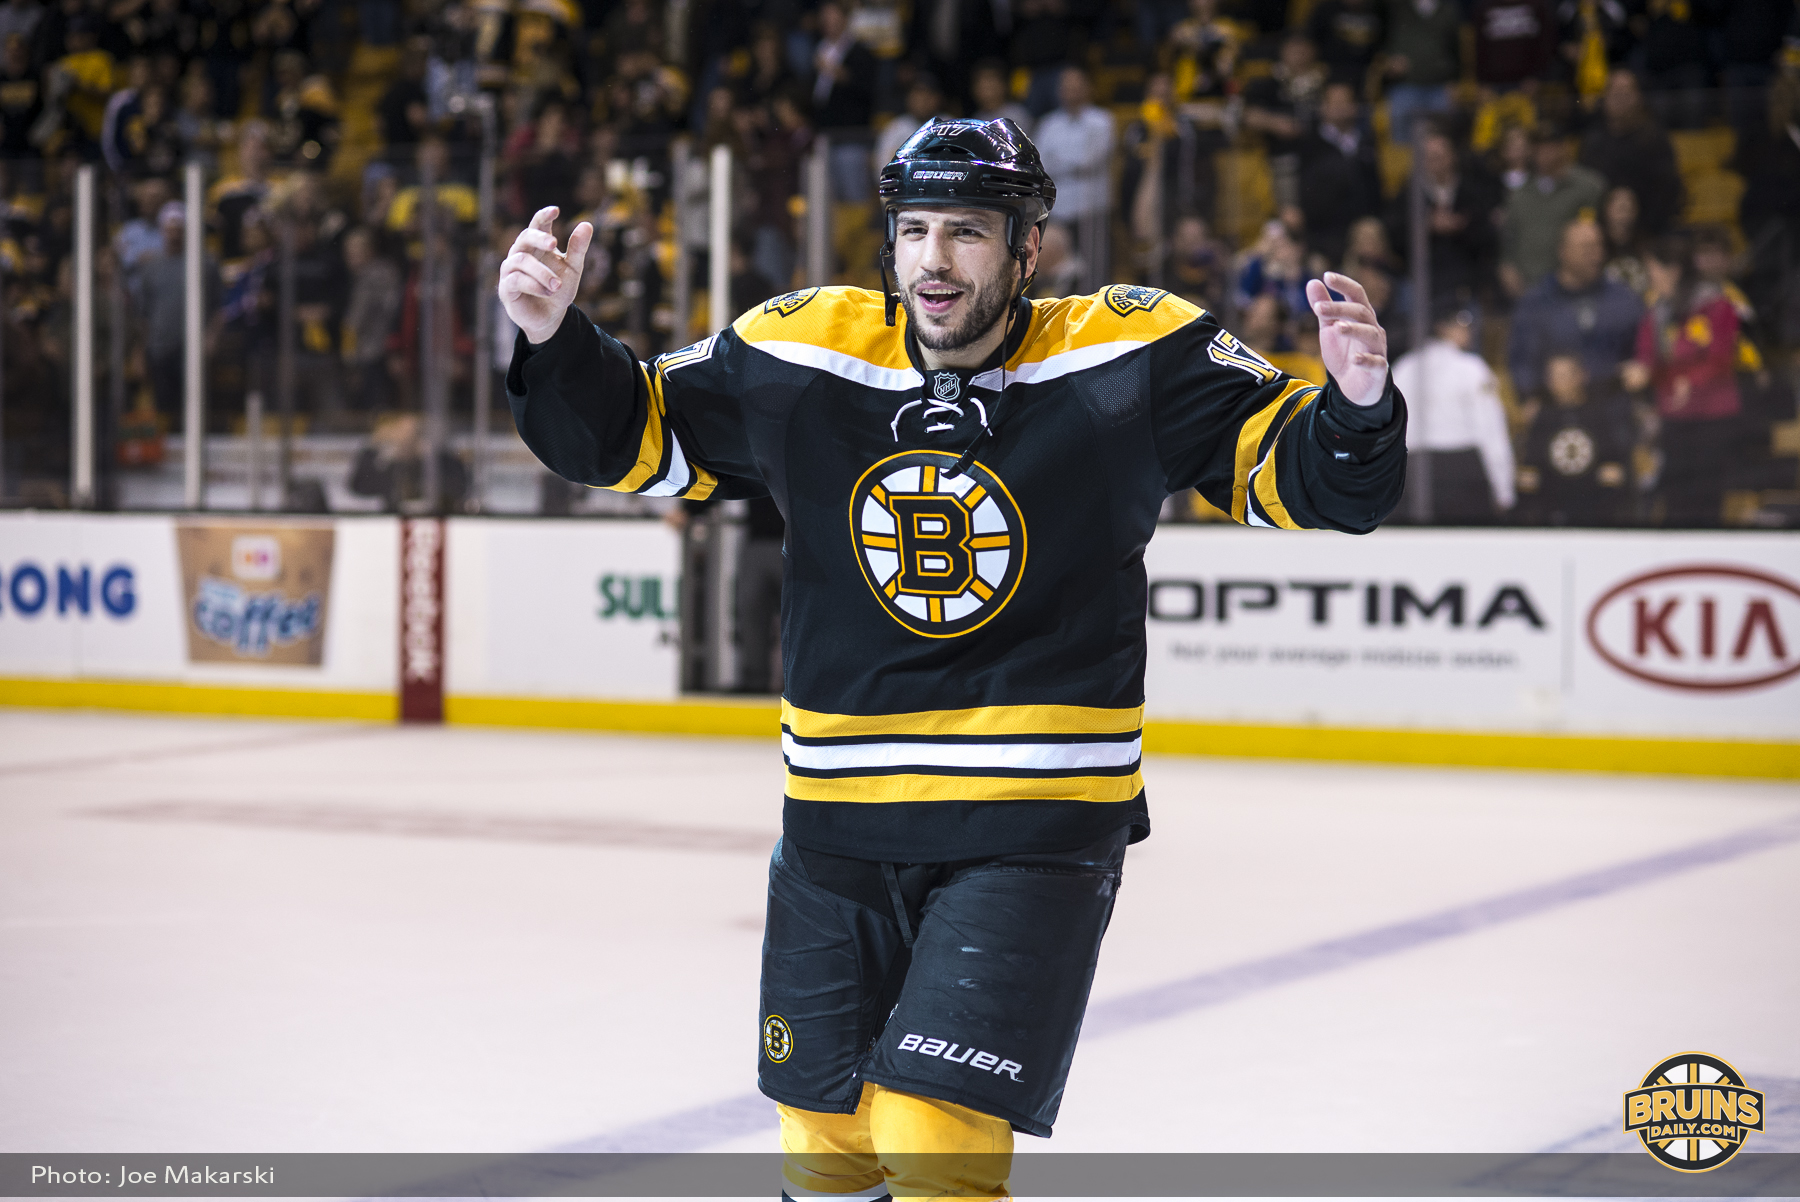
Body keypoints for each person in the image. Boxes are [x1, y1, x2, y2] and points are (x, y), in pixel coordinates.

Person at [499, 117, 1406, 1196]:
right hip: (835, 820)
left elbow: (1297, 474)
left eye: (967, 233)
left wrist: (1354, 410)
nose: (933, 259)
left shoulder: (1127, 354)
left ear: (1028, 250)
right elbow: (637, 431)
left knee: (930, 1129)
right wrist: (557, 339)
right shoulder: (806, 350)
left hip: (1033, 823)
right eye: (914, 229)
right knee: (824, 1136)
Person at [1625, 235, 1742, 528]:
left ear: (1672, 270)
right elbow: (1648, 357)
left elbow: (1721, 358)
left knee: (1706, 500)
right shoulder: (1657, 312)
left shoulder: (1717, 306)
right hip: (1674, 420)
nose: (1650, 277)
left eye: (1653, 269)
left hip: (1712, 420)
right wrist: (1642, 372)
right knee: (1676, 499)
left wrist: (1690, 381)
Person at [1390, 303, 1513, 522]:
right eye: (1461, 323)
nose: (1469, 330)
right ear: (1440, 327)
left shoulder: (1403, 368)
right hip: (1461, 469)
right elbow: (1490, 431)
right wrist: (1503, 489)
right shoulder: (1471, 368)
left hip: (1412, 470)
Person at [1514, 353, 1635, 526]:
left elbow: (1613, 472)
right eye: (1552, 376)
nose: (1556, 382)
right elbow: (1530, 472)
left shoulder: (1596, 416)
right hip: (1551, 513)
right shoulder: (1543, 417)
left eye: (1563, 376)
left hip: (1592, 513)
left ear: (1581, 376)